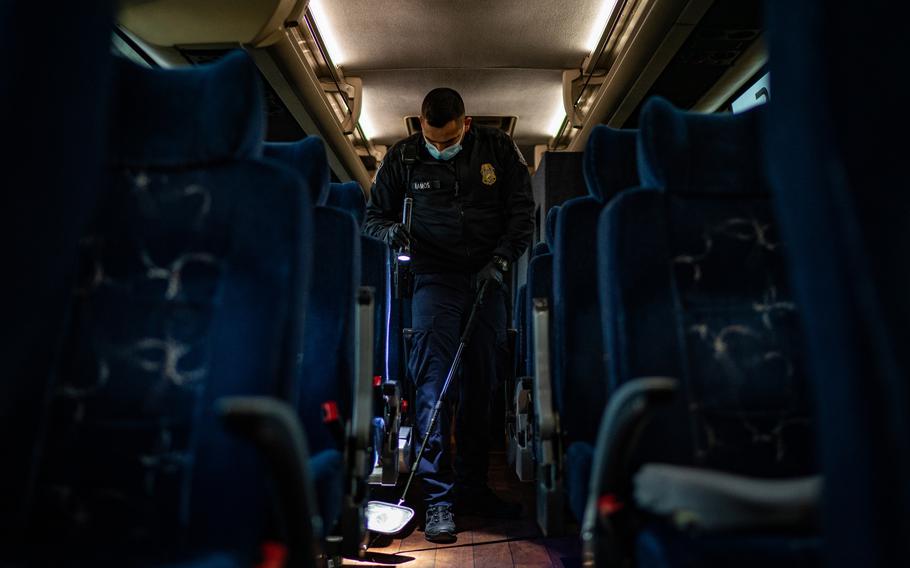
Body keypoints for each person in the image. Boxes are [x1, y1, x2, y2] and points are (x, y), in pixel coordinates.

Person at [363, 87, 534, 542]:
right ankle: (439, 498)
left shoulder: (498, 149)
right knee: (432, 388)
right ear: (421, 125)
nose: (440, 148)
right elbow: (372, 217)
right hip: (433, 279)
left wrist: (500, 260)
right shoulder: (402, 159)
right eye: (432, 140)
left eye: (449, 140)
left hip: (487, 276)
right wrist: (393, 233)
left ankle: (473, 489)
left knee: (482, 385)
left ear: (466, 123)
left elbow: (521, 212)